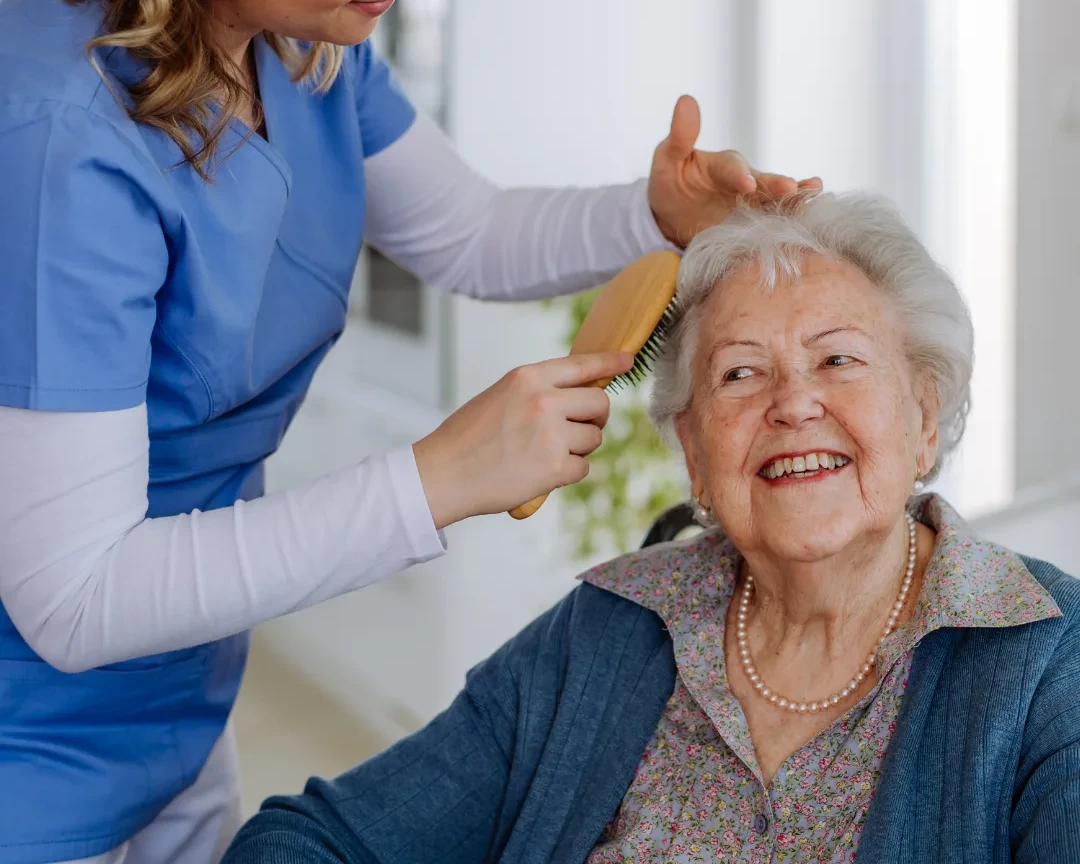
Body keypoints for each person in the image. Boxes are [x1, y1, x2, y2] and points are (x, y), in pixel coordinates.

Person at [0, 0, 823, 861]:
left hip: (181, 693)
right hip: (28, 747)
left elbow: (469, 231)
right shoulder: (60, 136)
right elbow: (74, 596)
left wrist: (654, 216)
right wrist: (438, 479)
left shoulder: (302, 47)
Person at [222, 191, 1080, 864]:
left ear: (925, 417)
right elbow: (311, 841)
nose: (793, 403)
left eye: (838, 359)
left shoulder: (1048, 660)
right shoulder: (607, 630)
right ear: (695, 457)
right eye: (741, 373)